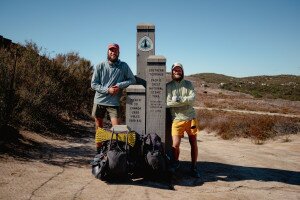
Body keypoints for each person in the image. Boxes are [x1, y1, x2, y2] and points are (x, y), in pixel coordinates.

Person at [91, 43, 136, 153]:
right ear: (108, 52)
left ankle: (114, 152)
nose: (113, 52)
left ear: (118, 53)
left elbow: (132, 80)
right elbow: (94, 84)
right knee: (99, 128)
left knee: (117, 129)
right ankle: (99, 151)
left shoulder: (123, 66)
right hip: (99, 101)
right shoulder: (100, 66)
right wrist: (107, 90)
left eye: (115, 51)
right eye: (111, 50)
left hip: (114, 103)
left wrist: (119, 85)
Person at [166, 62, 200, 178]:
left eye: (179, 70)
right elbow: (167, 103)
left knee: (193, 143)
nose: (177, 72)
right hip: (177, 119)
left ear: (182, 71)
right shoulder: (168, 86)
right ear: (172, 72)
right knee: (175, 145)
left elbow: (192, 99)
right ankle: (176, 163)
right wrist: (184, 101)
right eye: (175, 70)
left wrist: (178, 99)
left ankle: (194, 167)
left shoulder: (189, 84)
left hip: (191, 118)